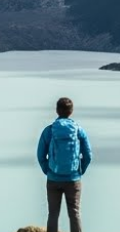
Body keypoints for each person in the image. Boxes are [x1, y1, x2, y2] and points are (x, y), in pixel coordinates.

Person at [36, 96, 93, 232]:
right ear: (71, 111)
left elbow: (40, 155)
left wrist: (48, 170)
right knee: (74, 213)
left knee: (53, 214)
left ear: (57, 110)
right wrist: (79, 170)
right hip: (73, 179)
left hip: (53, 178)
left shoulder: (49, 131)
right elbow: (88, 155)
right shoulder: (78, 130)